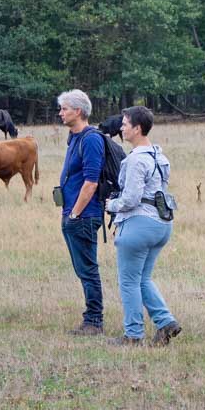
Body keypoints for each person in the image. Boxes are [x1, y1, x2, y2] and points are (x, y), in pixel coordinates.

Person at [104, 106, 182, 347]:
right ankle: (165, 322)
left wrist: (112, 204)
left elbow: (131, 198)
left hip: (139, 225)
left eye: (125, 124)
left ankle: (133, 335)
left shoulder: (136, 159)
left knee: (128, 281)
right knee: (143, 278)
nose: (121, 127)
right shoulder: (159, 155)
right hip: (161, 225)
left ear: (137, 129)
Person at [57, 89, 107, 336]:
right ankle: (92, 318)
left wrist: (75, 214)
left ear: (78, 111)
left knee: (88, 269)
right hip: (73, 214)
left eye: (64, 108)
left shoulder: (90, 139)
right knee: (82, 269)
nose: (61, 113)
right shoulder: (73, 137)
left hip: (84, 216)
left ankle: (94, 321)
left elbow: (91, 182)